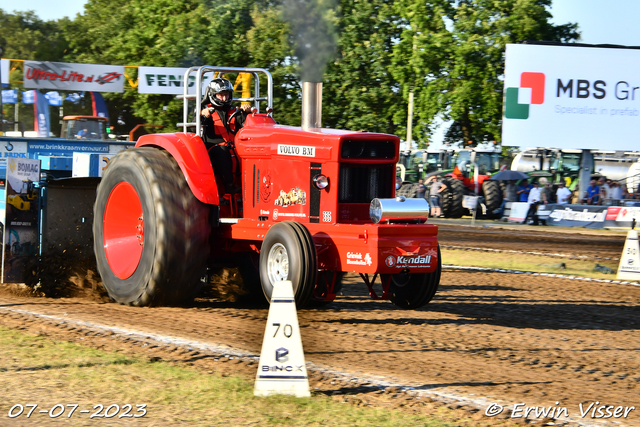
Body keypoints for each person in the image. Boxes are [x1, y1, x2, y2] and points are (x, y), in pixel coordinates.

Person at [199, 78, 251, 194]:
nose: (224, 98)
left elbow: (244, 125)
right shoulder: (204, 110)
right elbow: (194, 127)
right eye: (220, 95)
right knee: (222, 150)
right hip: (212, 149)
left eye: (226, 95)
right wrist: (202, 115)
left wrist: (246, 113)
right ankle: (229, 186)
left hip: (233, 146)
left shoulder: (234, 110)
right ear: (213, 95)